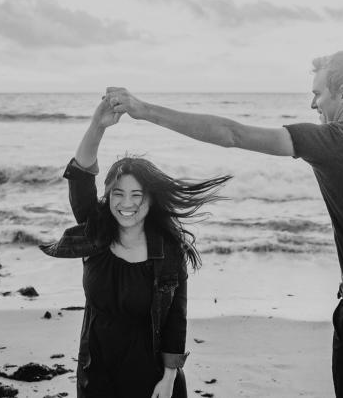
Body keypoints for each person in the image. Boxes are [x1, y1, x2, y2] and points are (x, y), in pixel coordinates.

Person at [106, 50, 343, 398]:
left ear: (342, 93)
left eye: (317, 93)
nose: (313, 105)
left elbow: (233, 134)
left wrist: (144, 110)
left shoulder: (332, 140)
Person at [40, 96, 231, 398]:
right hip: (96, 373)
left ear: (151, 199)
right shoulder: (97, 234)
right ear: (108, 197)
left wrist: (169, 378)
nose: (126, 204)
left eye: (136, 195)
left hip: (152, 378)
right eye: (118, 194)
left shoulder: (169, 252)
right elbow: (80, 175)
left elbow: (175, 319)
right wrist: (97, 126)